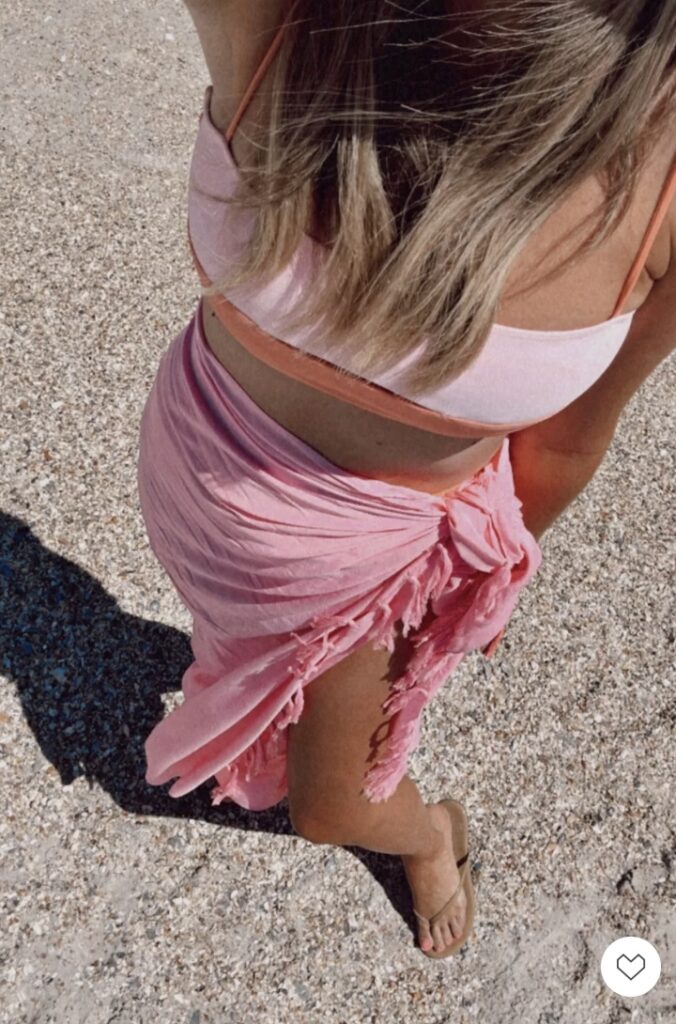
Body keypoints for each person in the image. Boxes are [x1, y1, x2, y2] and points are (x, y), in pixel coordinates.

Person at [136, 0, 676, 959]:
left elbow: (568, 437)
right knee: (231, 650)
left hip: (366, 577)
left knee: (330, 809)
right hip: (193, 478)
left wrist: (481, 585)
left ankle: (431, 836)